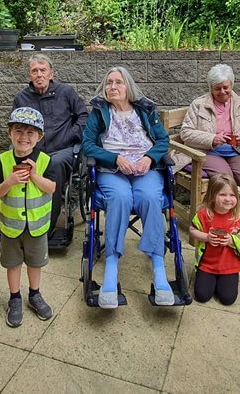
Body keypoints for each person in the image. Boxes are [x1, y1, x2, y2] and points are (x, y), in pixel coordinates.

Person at [82, 66, 174, 308]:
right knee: (121, 198)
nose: (113, 87)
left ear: (128, 86)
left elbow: (163, 140)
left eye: (118, 82)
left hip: (146, 169)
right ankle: (111, 268)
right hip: (113, 170)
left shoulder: (145, 109)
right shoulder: (99, 112)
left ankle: (158, 269)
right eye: (109, 82)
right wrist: (115, 159)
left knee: (150, 198)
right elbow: (87, 146)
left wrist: (149, 158)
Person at [176, 64, 240, 257]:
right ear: (210, 87)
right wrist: (211, 139)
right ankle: (224, 226)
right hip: (208, 152)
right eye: (217, 88)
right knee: (225, 181)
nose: (222, 92)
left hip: (236, 151)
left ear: (232, 85)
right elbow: (186, 133)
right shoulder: (199, 104)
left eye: (226, 87)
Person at [11, 54, 88, 247]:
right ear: (29, 75)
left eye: (43, 70)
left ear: (51, 73)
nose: (39, 74)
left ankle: (46, 228)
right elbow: (15, 126)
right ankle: (18, 223)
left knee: (53, 164)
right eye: (34, 71)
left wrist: (69, 135)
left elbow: (84, 116)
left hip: (64, 150)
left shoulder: (66, 92)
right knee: (16, 162)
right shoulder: (21, 98)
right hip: (33, 149)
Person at [0, 107, 57, 327]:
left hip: (37, 227)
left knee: (35, 263)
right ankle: (15, 297)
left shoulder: (47, 160)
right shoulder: (1, 161)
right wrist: (9, 182)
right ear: (10, 133)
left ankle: (35, 294)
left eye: (30, 133)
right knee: (13, 264)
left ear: (39, 136)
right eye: (18, 131)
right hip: (10, 227)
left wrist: (35, 175)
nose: (24, 137)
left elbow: (52, 188)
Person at [188, 174, 240, 306]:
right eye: (222, 195)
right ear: (212, 196)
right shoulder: (204, 214)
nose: (228, 199)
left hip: (229, 266)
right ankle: (208, 279)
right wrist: (206, 237)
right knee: (202, 296)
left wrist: (231, 240)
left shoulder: (239, 218)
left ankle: (222, 282)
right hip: (207, 264)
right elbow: (192, 230)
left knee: (228, 299)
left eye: (232, 195)